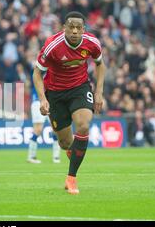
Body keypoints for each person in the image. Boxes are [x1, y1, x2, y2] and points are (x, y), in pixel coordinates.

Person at [32, 11, 106, 194]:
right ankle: (72, 152)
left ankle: (71, 178)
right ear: (64, 28)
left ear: (83, 29)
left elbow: (100, 64)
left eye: (78, 28)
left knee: (83, 126)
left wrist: (98, 92)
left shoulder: (92, 43)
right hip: (55, 93)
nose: (74, 31)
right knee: (65, 143)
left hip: (79, 89)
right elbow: (36, 73)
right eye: (71, 27)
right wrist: (42, 99)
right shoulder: (52, 45)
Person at [27, 68, 61, 164]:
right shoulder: (38, 69)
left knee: (55, 128)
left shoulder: (53, 69)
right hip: (38, 101)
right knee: (38, 129)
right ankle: (31, 156)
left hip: (51, 101)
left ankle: (56, 157)